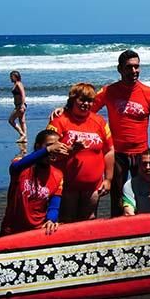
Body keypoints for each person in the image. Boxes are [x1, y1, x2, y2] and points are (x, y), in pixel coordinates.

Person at [92, 50, 150, 218]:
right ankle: (117, 228)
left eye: (136, 66)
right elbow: (87, 110)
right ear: (120, 69)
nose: (134, 71)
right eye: (129, 67)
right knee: (118, 197)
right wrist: (64, 111)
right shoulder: (108, 91)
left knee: (143, 196)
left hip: (142, 154)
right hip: (118, 154)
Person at [47, 83, 115, 223]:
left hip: (93, 186)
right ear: (73, 100)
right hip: (66, 185)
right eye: (82, 100)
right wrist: (71, 150)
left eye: (90, 101)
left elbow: (109, 151)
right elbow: (48, 153)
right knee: (67, 221)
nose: (86, 104)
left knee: (90, 220)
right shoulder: (59, 121)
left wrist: (108, 179)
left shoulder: (99, 121)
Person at [0, 129, 69, 236]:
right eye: (50, 145)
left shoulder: (58, 175)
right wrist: (47, 150)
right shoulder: (21, 166)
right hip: (11, 230)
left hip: (38, 230)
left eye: (57, 146)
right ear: (38, 147)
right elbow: (16, 166)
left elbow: (54, 205)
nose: (54, 149)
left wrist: (51, 219)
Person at [8, 70, 27, 142]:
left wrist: (22, 105)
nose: (10, 78)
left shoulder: (19, 84)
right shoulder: (16, 84)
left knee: (11, 120)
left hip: (20, 105)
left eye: (11, 77)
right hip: (18, 105)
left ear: (15, 77)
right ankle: (25, 138)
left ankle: (22, 134)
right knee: (22, 121)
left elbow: (23, 94)